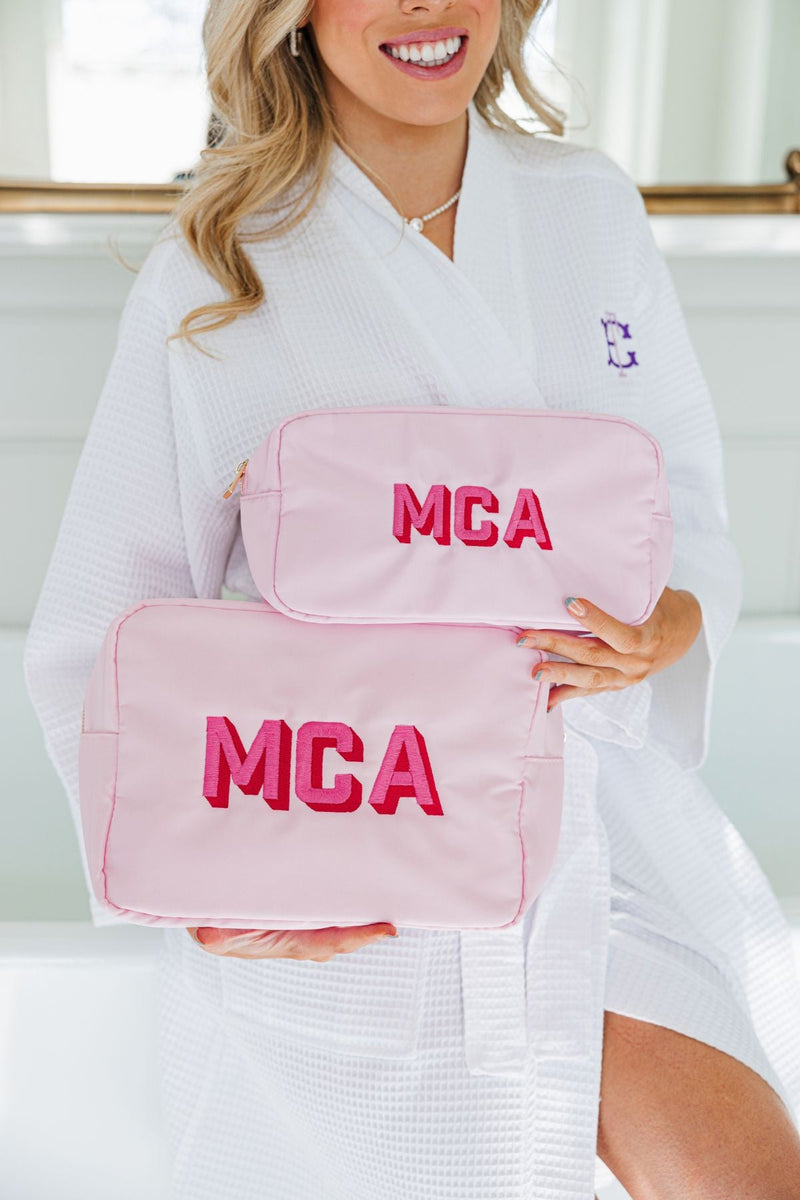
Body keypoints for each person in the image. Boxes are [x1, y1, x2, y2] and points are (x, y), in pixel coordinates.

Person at [22, 1, 800, 1196]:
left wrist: (669, 624)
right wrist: (203, 887)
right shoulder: (223, 260)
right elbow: (109, 614)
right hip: (350, 843)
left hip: (595, 828)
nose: (427, 6)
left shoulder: (584, 209)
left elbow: (680, 504)